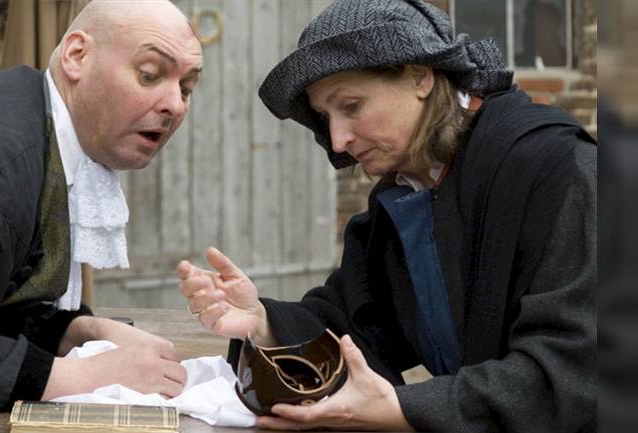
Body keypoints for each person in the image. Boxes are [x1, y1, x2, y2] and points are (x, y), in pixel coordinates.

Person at [177, 0, 595, 431]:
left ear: (420, 76)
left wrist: (400, 409)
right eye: (325, 116)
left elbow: (577, 372)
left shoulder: (559, 169)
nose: (337, 141)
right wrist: (263, 323)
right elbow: (355, 324)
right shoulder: (408, 192)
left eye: (351, 105)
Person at [0, 0, 203, 410]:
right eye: (149, 74)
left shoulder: (38, 126)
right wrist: (83, 375)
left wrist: (79, 331)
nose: (175, 104)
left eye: (186, 88)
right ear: (77, 55)